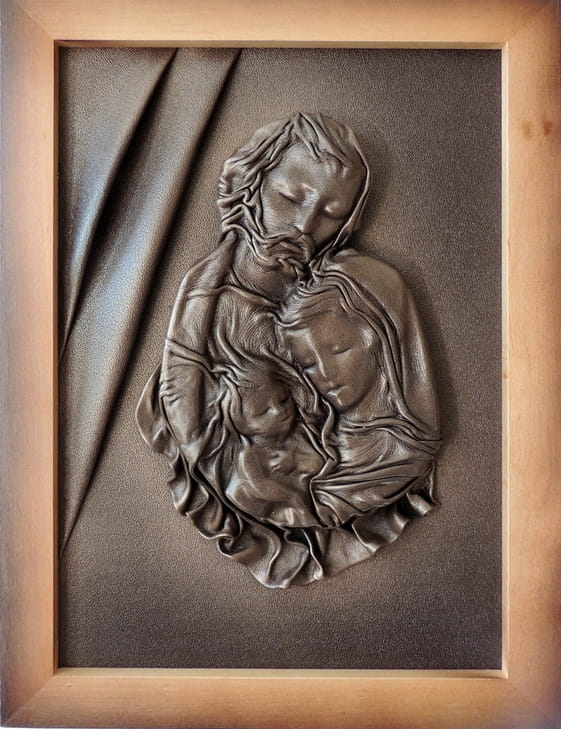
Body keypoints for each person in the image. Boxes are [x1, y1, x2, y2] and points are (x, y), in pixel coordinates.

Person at [136, 112, 440, 588]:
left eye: (331, 214)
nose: (303, 226)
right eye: (291, 198)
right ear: (253, 185)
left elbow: (402, 403)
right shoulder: (206, 297)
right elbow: (186, 408)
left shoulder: (358, 290)